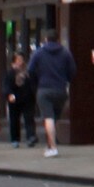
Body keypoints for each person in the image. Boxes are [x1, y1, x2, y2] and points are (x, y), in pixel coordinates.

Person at [28, 27, 74, 157]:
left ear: (46, 39)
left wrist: (37, 81)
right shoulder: (65, 53)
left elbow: (30, 70)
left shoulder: (38, 53)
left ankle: (53, 148)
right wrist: (65, 80)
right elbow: (72, 70)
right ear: (58, 39)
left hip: (44, 89)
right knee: (54, 118)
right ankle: (50, 144)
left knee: (48, 118)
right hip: (60, 90)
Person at [1, 51, 36, 147]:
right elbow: (6, 85)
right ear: (14, 62)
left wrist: (33, 93)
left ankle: (31, 137)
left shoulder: (27, 72)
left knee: (29, 118)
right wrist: (9, 94)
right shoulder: (10, 73)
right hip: (14, 98)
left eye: (22, 59)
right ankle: (15, 139)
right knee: (14, 120)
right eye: (18, 60)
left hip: (27, 98)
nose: (20, 61)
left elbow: (32, 83)